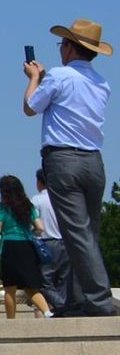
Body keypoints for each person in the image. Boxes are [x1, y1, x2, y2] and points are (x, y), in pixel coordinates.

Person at [23, 20, 115, 316]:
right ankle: (80, 300)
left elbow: (30, 107)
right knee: (88, 233)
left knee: (76, 234)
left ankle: (99, 301)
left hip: (63, 159)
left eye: (63, 44)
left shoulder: (59, 76)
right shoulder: (102, 83)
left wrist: (34, 77)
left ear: (71, 47)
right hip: (94, 161)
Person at [0, 175, 52, 319]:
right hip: (27, 246)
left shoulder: (1, 208)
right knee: (31, 286)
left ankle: (11, 320)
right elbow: (40, 227)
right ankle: (47, 311)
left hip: (10, 247)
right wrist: (31, 232)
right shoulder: (28, 206)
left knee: (10, 289)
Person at [33, 169, 73, 314]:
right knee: (63, 281)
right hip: (66, 242)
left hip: (45, 243)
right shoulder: (63, 198)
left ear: (39, 181)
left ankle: (61, 307)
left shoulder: (36, 200)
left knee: (45, 283)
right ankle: (62, 309)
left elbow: (33, 225)